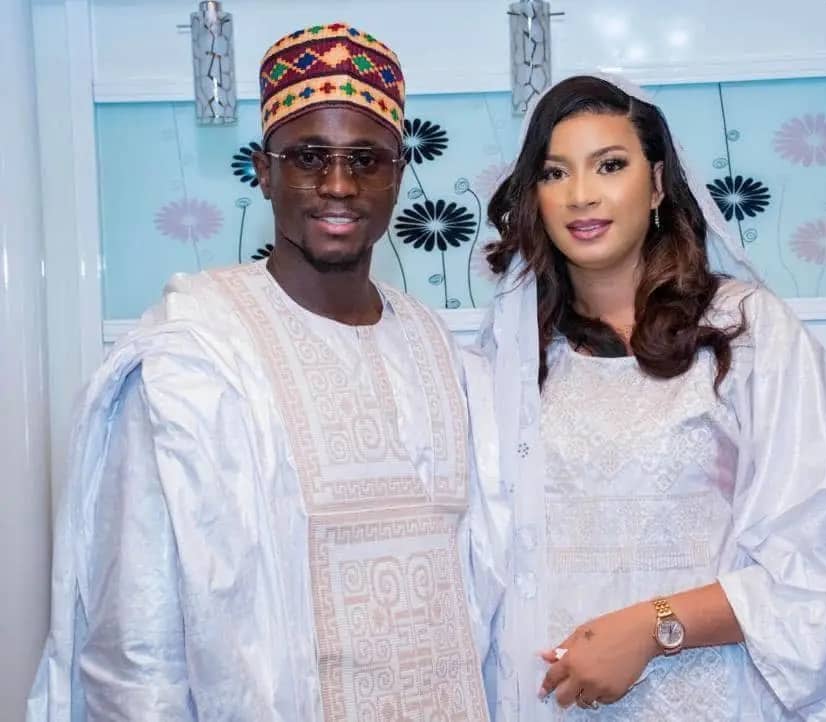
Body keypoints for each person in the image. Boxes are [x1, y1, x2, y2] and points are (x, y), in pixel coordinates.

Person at [28, 22, 501, 721]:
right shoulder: (194, 355)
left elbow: (478, 587)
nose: (338, 185)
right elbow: (136, 641)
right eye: (308, 157)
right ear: (264, 170)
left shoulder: (438, 348)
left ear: (398, 175)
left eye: (365, 160)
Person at [476, 74, 826, 720]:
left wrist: (651, 627)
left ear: (656, 184)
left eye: (610, 165)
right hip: (551, 703)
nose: (581, 194)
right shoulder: (511, 359)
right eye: (554, 173)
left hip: (716, 699)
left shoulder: (747, 332)